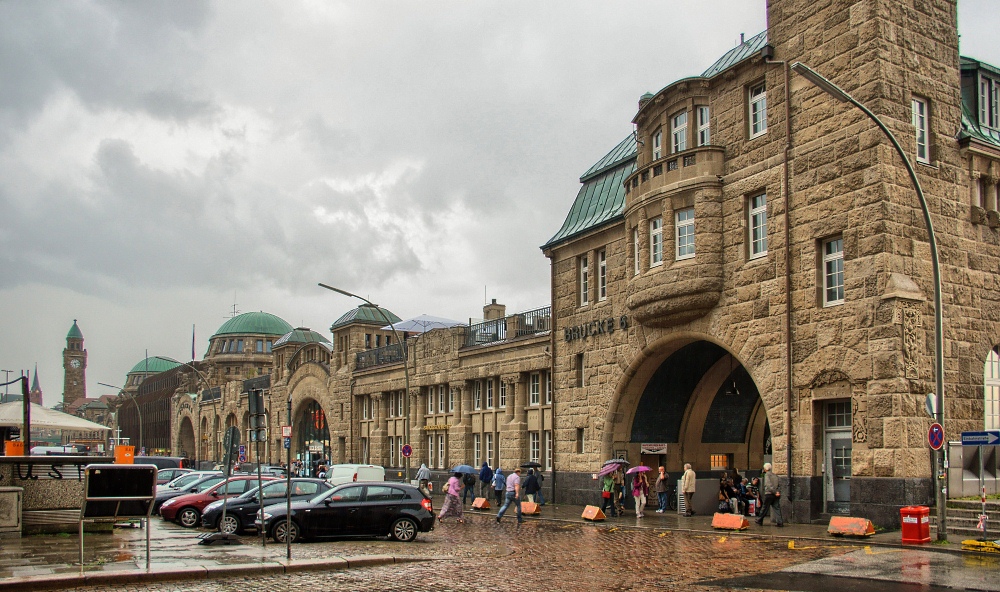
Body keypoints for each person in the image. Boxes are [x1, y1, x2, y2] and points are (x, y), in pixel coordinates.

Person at [756, 463, 783, 527]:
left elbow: (768, 485)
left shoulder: (767, 475)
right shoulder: (775, 475)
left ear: (765, 469)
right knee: (777, 508)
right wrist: (777, 492)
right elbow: (779, 484)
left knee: (765, 508)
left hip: (769, 494)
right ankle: (780, 522)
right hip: (776, 494)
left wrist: (774, 492)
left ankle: (759, 520)